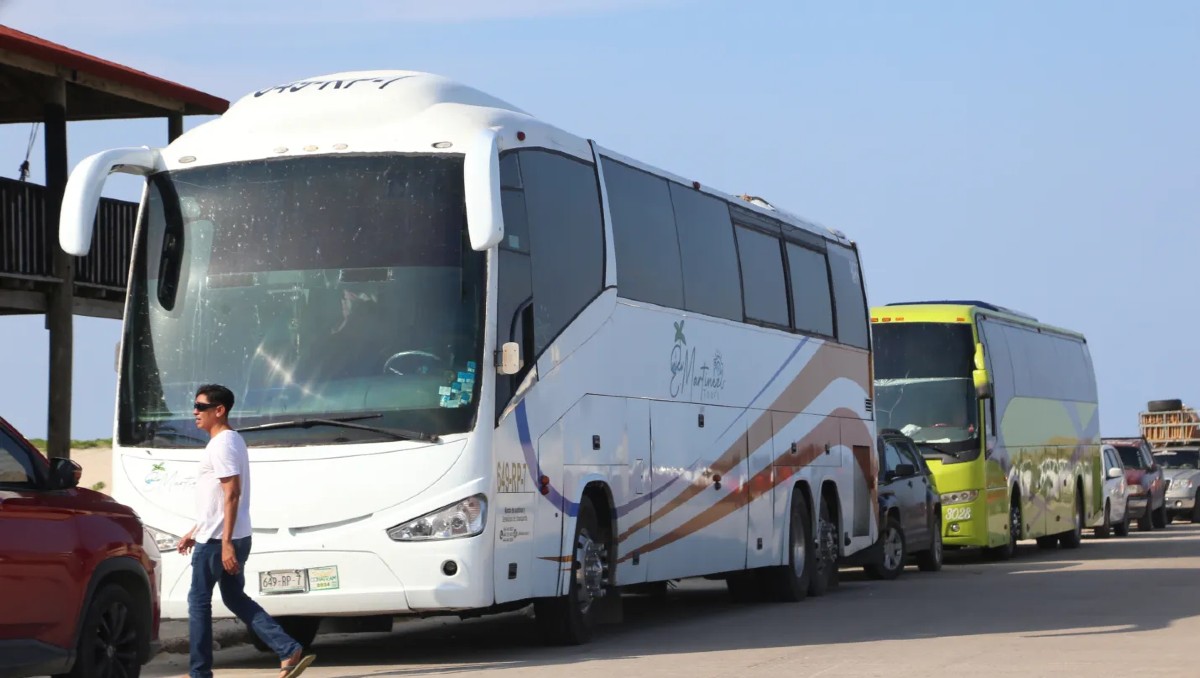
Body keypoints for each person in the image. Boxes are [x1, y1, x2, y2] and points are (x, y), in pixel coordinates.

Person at [177, 384, 316, 678]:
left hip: (219, 541)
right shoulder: (231, 440)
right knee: (234, 598)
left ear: (219, 410)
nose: (195, 412)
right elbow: (215, 498)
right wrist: (195, 528)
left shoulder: (222, 444)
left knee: (199, 603)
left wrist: (224, 543)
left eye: (201, 407)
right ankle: (288, 648)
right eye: (195, 406)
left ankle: (199, 673)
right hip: (227, 535)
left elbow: (232, 493)